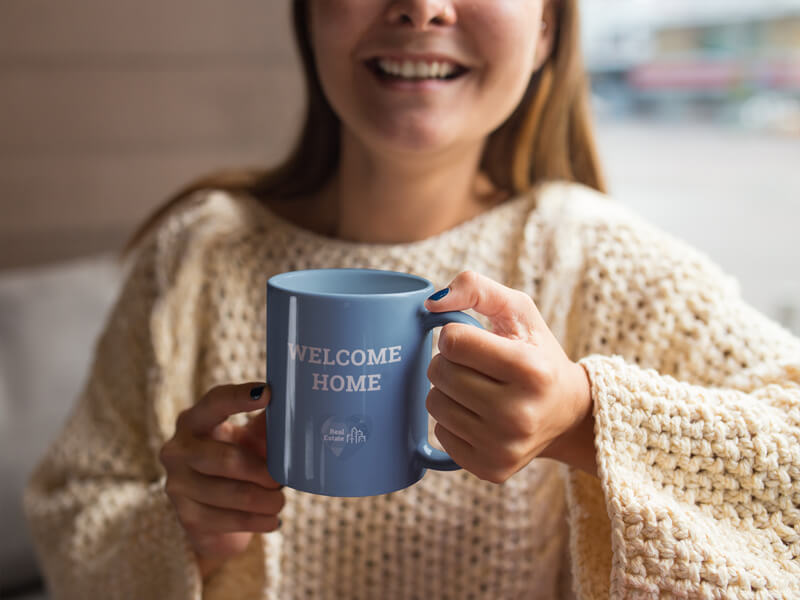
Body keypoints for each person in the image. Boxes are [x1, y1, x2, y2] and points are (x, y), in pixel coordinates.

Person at [22, 0, 800, 598]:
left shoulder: (604, 263)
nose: (422, 5)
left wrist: (586, 417)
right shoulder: (194, 254)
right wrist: (179, 527)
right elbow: (70, 511)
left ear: (546, 33)